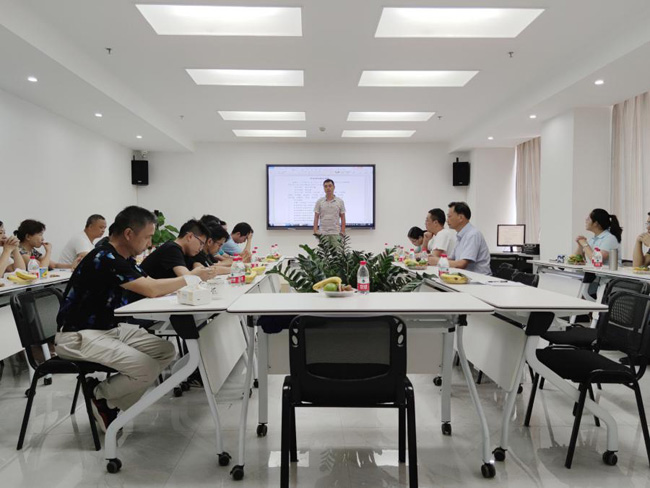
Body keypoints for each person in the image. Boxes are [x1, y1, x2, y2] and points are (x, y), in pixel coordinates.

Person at [55, 206, 199, 431]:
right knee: (147, 368)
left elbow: (151, 284)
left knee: (165, 351)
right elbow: (152, 289)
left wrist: (184, 281)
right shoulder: (105, 257)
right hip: (78, 335)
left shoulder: (124, 259)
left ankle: (109, 404)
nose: (149, 243)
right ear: (129, 234)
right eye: (147, 237)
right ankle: (98, 394)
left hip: (109, 329)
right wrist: (190, 279)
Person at [140, 219, 220, 281]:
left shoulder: (187, 252)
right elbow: (187, 278)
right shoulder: (172, 249)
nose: (201, 248)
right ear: (190, 237)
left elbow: (199, 268)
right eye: (201, 243)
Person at [429, 202, 491, 275]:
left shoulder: (473, 234)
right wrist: (433, 259)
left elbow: (462, 264)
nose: (447, 220)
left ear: (461, 218)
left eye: (449, 216)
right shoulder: (460, 235)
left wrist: (437, 261)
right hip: (466, 276)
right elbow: (452, 259)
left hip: (480, 279)